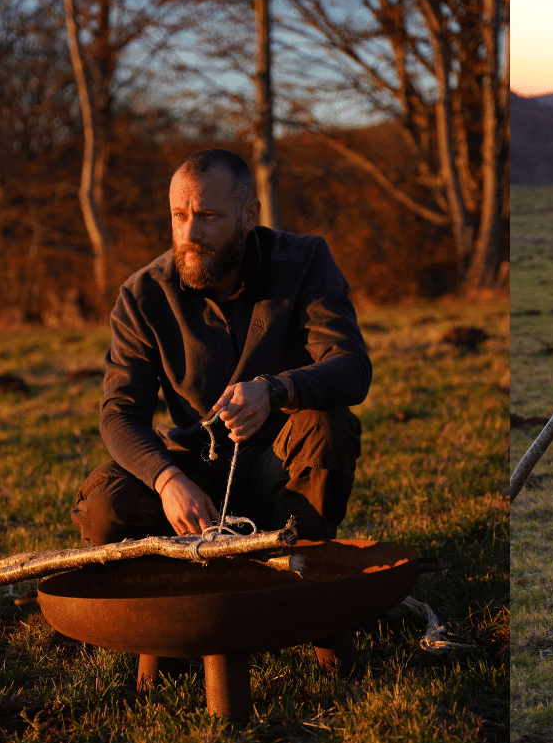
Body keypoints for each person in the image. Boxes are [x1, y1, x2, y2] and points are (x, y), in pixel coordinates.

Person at [72, 148, 370, 672]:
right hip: (196, 477)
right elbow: (118, 414)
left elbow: (352, 368)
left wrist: (277, 390)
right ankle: (184, 597)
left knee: (329, 423)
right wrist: (166, 480)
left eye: (208, 217)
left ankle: (296, 586)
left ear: (249, 216)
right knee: (104, 506)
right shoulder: (143, 295)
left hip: (283, 467)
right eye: (179, 216)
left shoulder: (303, 262)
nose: (190, 234)